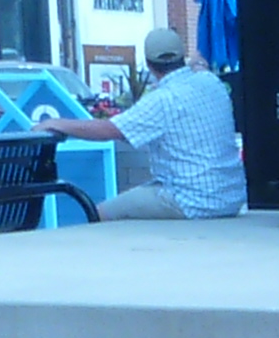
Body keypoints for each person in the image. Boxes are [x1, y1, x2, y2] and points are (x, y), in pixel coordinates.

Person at [37, 23, 244, 219]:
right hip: (231, 197)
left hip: (190, 200)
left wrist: (57, 123)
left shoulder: (162, 99)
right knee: (146, 191)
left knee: (98, 212)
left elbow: (109, 130)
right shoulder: (211, 82)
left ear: (149, 64)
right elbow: (200, 68)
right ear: (182, 56)